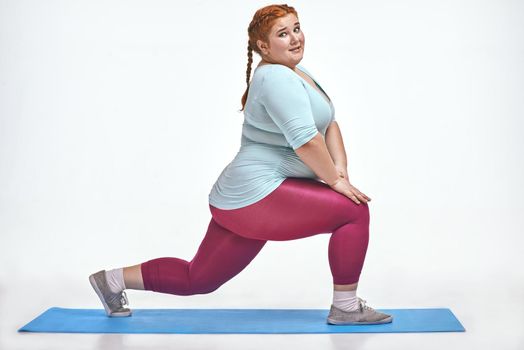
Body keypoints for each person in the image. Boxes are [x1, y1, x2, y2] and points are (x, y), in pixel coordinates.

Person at [89, 3, 393, 326]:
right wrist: (334, 182)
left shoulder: (295, 71)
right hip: (257, 194)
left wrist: (340, 169)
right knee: (354, 212)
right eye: (283, 34)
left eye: (296, 28)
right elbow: (307, 142)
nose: (295, 38)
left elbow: (329, 122)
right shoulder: (276, 78)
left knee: (198, 278)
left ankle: (111, 280)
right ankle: (345, 306)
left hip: (244, 197)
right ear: (263, 46)